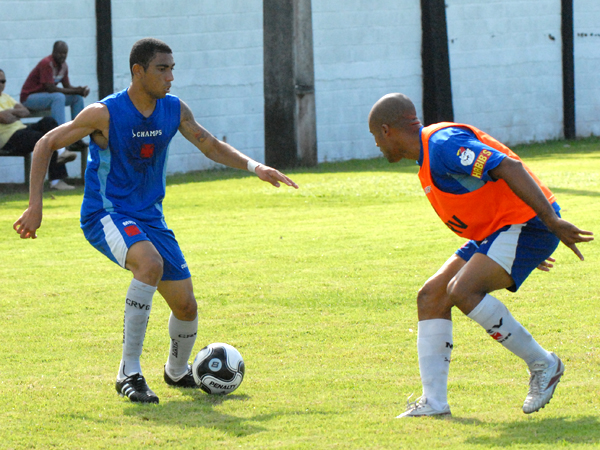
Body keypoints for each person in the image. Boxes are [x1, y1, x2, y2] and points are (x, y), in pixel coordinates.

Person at [14, 38, 298, 404]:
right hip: (107, 213)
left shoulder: (174, 109)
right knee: (149, 264)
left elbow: (210, 145)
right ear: (138, 71)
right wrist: (35, 206)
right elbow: (45, 143)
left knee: (186, 306)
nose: (170, 77)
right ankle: (128, 373)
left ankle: (176, 371)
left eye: (172, 69)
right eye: (162, 69)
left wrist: (255, 167)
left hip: (151, 217)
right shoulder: (105, 113)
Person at [368, 93, 593, 417]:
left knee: (462, 290)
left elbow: (508, 166)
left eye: (375, 136)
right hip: (500, 232)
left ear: (386, 130)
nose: (376, 145)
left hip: (526, 225)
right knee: (431, 296)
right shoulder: (429, 155)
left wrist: (550, 222)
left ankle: (543, 363)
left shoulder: (443, 144)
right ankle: (434, 403)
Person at [0, 68, 77, 189]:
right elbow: (5, 118)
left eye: (3, 81)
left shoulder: (6, 97)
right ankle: (56, 181)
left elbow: (25, 111)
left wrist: (9, 113)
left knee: (49, 121)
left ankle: (61, 151)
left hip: (21, 130)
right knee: (45, 139)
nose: (1, 84)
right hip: (8, 138)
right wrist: (14, 113)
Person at [20, 40, 90, 127]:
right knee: (58, 97)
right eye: (60, 53)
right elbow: (50, 88)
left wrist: (79, 90)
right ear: (54, 52)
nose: (63, 56)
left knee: (77, 97)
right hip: (29, 98)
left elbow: (67, 86)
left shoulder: (63, 66)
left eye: (65, 53)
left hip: (47, 97)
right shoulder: (47, 63)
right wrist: (76, 90)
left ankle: (78, 131)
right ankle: (60, 132)